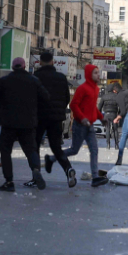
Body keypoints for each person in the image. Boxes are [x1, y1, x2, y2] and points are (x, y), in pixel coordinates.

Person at [0, 57, 53, 192]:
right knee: (30, 150)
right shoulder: (33, 81)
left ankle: (9, 181)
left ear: (12, 67)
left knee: (5, 151)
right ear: (24, 67)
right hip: (28, 123)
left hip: (8, 122)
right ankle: (35, 169)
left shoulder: (5, 80)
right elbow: (46, 97)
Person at [62, 64, 107, 188]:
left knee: (94, 150)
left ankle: (95, 178)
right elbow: (73, 105)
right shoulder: (83, 88)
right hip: (80, 125)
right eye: (95, 73)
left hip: (90, 126)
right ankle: (53, 158)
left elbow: (92, 108)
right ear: (89, 75)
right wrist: (82, 118)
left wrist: (101, 118)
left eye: (98, 72)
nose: (98, 75)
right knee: (74, 150)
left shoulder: (95, 89)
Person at [35, 52, 76, 186]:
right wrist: (59, 111)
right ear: (53, 62)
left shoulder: (36, 77)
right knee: (56, 148)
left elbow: (32, 97)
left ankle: (36, 176)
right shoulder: (61, 77)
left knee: (35, 146)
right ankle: (68, 169)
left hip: (39, 117)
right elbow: (66, 98)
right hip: (56, 118)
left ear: (40, 62)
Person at [98, 84, 121, 149]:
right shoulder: (117, 96)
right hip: (114, 114)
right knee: (115, 130)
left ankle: (108, 145)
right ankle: (116, 145)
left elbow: (99, 107)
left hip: (106, 115)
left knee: (107, 129)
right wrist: (119, 114)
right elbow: (121, 107)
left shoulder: (104, 97)